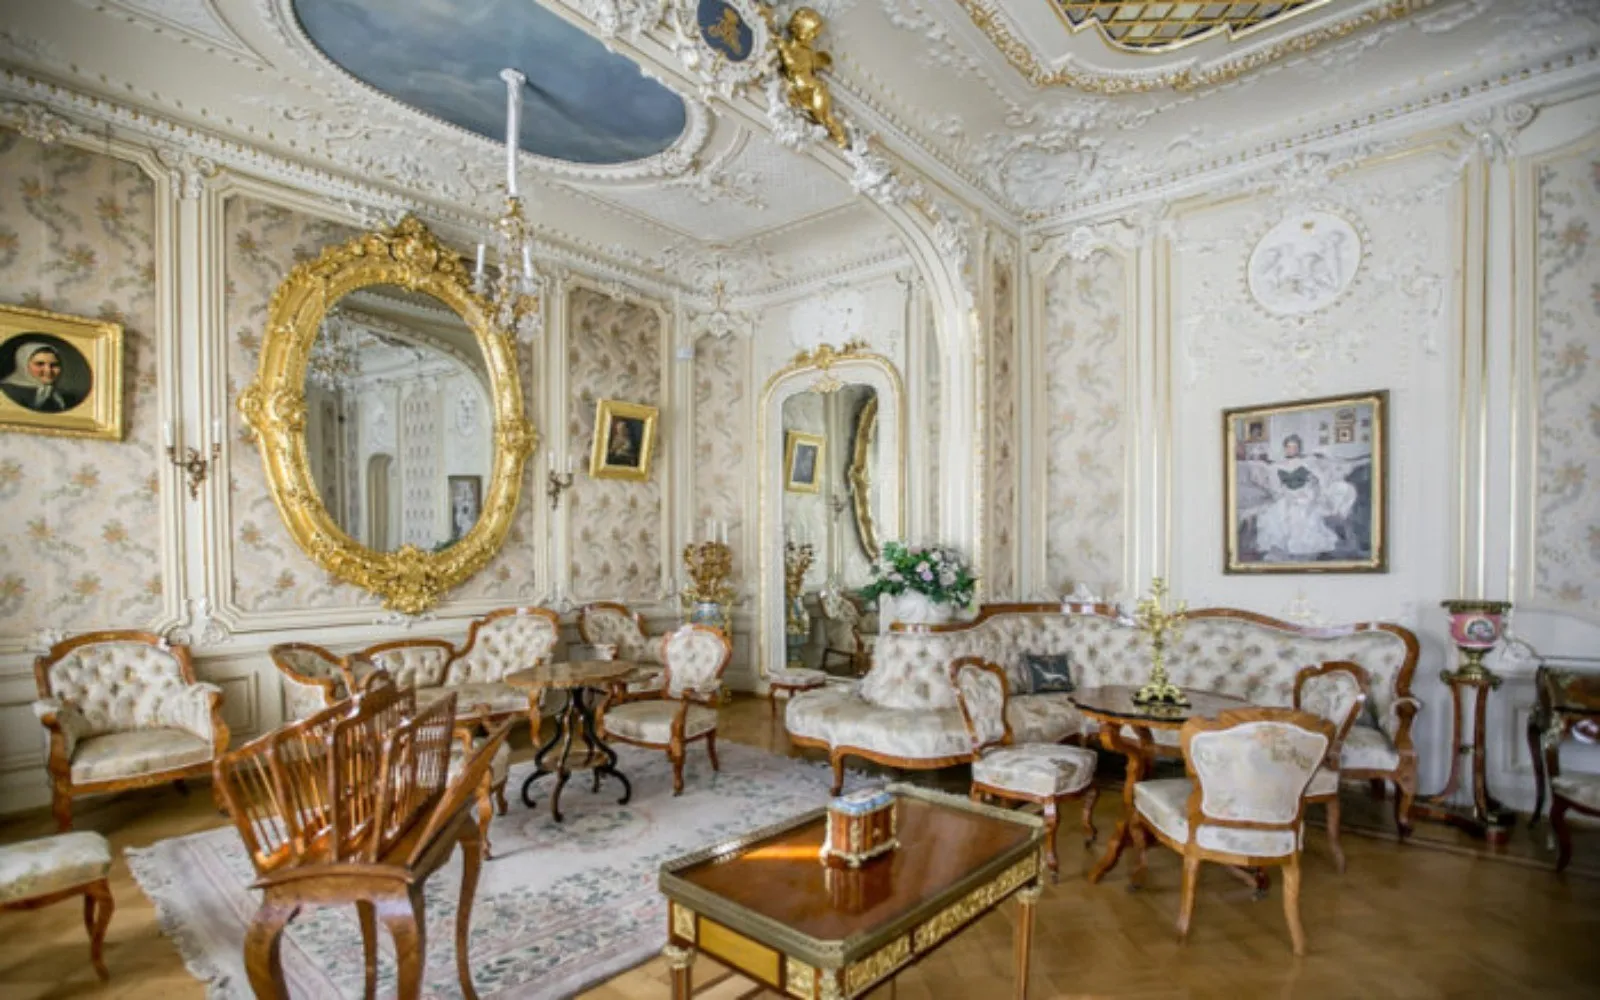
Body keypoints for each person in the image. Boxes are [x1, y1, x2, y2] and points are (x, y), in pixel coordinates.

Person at [1236, 433, 1367, 561]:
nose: (1291, 450)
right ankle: (1285, 551)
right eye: (1289, 447)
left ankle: (1305, 550)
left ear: (1299, 448)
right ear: (1285, 448)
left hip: (1306, 494)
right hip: (1287, 496)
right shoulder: (1276, 466)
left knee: (1304, 512)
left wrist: (1313, 491)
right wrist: (1286, 494)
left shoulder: (1309, 462)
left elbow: (1319, 479)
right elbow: (1276, 487)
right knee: (1281, 513)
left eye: (1294, 447)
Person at [1, 341, 82, 412]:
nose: (48, 370)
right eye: (40, 364)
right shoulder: (8, 391)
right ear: (23, 365)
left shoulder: (67, 397)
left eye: (54, 365)